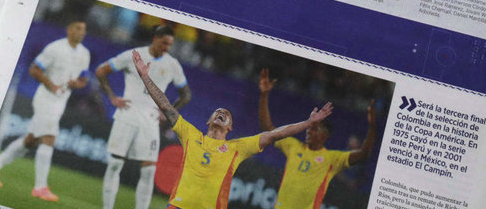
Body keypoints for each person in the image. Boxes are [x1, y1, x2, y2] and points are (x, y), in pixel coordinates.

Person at [131, 50, 333, 209]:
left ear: (230, 127)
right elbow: (166, 106)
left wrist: (308, 123)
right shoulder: (190, 134)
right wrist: (145, 77)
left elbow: (275, 134)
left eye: (226, 113)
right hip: (178, 205)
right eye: (217, 111)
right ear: (209, 121)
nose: (221, 113)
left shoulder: (237, 148)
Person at [0, 20, 91, 201]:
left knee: (31, 140)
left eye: (84, 30)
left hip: (61, 101)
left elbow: (83, 80)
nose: (81, 32)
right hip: (46, 98)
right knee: (49, 138)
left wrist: (75, 84)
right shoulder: (55, 48)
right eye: (78, 28)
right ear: (69, 29)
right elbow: (35, 69)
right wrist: (51, 84)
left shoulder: (84, 54)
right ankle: (40, 187)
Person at [98, 25, 191, 209]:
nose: (167, 48)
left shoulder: (172, 64)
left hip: (150, 120)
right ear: (155, 38)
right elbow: (101, 71)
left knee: (149, 171)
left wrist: (168, 111)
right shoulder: (133, 55)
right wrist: (112, 97)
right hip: (128, 114)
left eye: (170, 44)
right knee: (115, 164)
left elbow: (186, 94)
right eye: (164, 43)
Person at [258, 68, 375, 209]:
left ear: (324, 135)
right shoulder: (293, 145)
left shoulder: (332, 158)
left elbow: (364, 154)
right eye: (309, 127)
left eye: (314, 129)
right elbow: (268, 129)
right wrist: (264, 95)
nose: (309, 131)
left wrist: (372, 127)